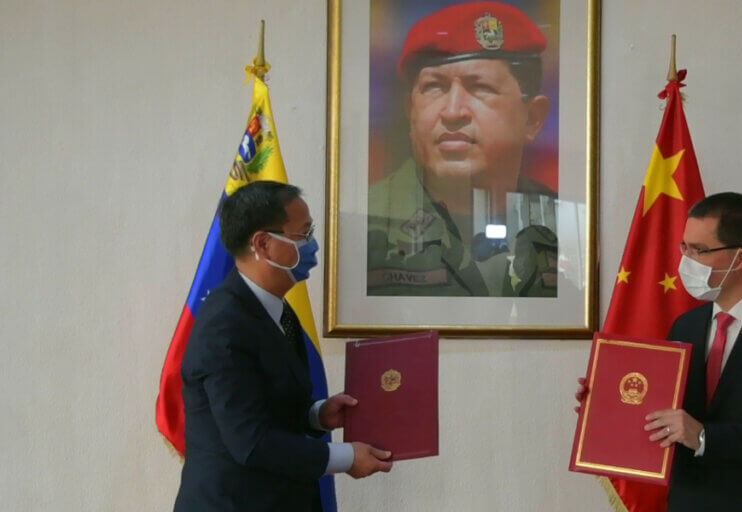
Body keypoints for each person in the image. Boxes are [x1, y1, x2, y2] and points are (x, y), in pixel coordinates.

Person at [576, 192, 742, 511]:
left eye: (699, 250)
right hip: (687, 502)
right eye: (684, 247)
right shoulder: (686, 326)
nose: (686, 260)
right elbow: (663, 414)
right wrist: (605, 404)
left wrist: (704, 437)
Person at [174, 181, 392, 512]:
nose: (313, 245)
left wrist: (317, 415)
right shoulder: (224, 325)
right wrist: (347, 457)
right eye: (303, 234)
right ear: (263, 244)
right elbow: (251, 441)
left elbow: (268, 403)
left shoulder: (275, 309)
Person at [367, 1, 558, 297]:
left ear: (532, 118)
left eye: (480, 87)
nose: (453, 111)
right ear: (410, 110)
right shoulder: (364, 227)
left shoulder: (566, 231)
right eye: (434, 87)